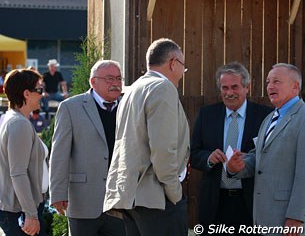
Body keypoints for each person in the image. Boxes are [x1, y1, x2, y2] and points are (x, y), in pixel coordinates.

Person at [103, 38, 190, 236]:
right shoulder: (163, 88)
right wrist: (175, 192)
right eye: (183, 68)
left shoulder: (132, 90)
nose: (182, 75)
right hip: (155, 198)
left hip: (131, 197)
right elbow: (163, 149)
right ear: (173, 63)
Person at [190, 62, 272, 234]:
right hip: (214, 204)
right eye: (224, 87)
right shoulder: (207, 115)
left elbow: (271, 158)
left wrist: (249, 160)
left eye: (234, 87)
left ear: (247, 87)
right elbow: (193, 154)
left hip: (250, 203)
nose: (229, 93)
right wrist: (208, 159)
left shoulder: (265, 116)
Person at [49, 60, 125, 236]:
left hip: (120, 201)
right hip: (83, 200)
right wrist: (58, 193)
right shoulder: (70, 107)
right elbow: (59, 154)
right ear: (93, 82)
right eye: (109, 78)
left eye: (119, 78)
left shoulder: (128, 107)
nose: (115, 83)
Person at [227, 63, 305, 235]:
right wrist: (236, 168)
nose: (270, 86)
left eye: (277, 81)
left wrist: (297, 216)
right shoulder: (270, 118)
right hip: (264, 219)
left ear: (295, 86)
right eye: (268, 82)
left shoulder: (302, 117)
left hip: (289, 222)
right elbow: (259, 159)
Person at [0, 69, 49, 236]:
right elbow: (18, 173)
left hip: (21, 209)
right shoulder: (18, 124)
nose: (43, 94)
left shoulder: (13, 119)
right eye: (39, 90)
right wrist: (30, 214)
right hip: (20, 211)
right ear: (26, 94)